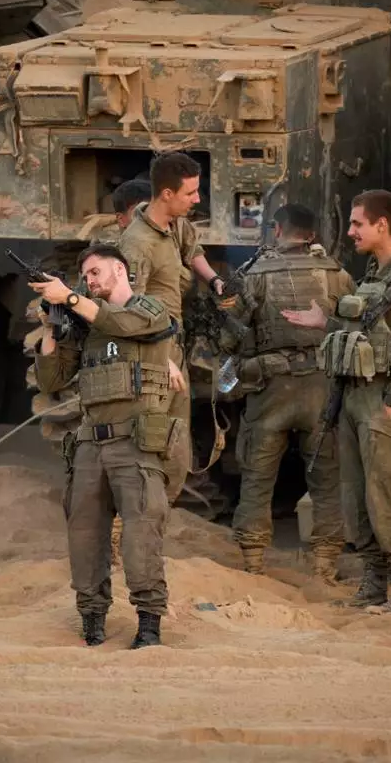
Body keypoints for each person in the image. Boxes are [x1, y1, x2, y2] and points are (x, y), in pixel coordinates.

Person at [283, 190, 391, 615]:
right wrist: (327, 322)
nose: (351, 231)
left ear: (382, 225)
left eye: (358, 224)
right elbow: (368, 331)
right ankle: (374, 582)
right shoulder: (375, 275)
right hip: (354, 396)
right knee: (356, 495)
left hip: (382, 398)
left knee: (386, 491)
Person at [30, 243, 182, 649]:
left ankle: (148, 624)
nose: (90, 281)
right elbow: (51, 380)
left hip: (135, 444)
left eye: (96, 272)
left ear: (119, 269)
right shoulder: (88, 325)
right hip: (90, 446)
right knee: (84, 535)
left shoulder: (149, 309)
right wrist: (52, 325)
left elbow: (123, 324)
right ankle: (92, 619)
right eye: (85, 276)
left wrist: (70, 298)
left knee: (141, 535)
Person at [217, 203, 354, 582]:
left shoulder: (254, 275)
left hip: (270, 389)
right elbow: (355, 324)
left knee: (258, 475)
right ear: (313, 235)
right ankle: (325, 564)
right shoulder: (337, 274)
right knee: (326, 478)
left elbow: (229, 336)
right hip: (322, 389)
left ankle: (253, 563)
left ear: (277, 230)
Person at [116, 151, 224, 505]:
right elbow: (129, 305)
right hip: (152, 353)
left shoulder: (176, 223)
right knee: (152, 437)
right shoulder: (136, 244)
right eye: (190, 193)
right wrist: (160, 357)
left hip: (173, 346)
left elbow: (193, 250)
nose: (197, 199)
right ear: (166, 194)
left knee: (177, 438)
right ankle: (138, 512)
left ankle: (161, 510)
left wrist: (215, 280)